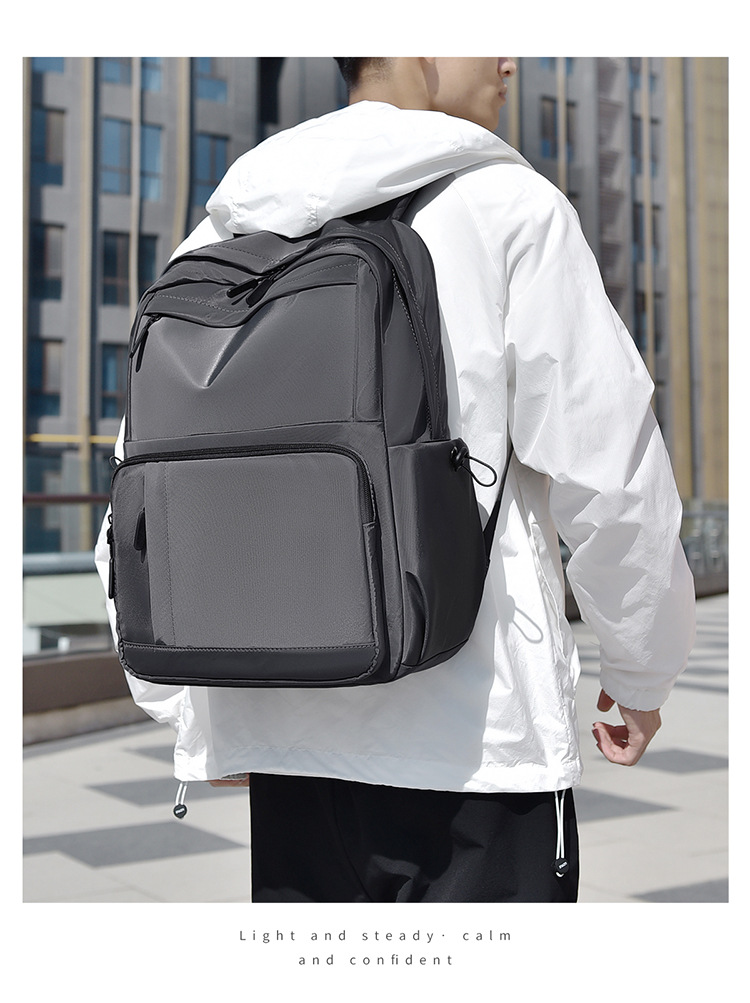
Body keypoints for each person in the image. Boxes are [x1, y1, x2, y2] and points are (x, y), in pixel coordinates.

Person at [95, 57, 696, 903]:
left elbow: (141, 499)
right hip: (476, 747)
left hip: (287, 745)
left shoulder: (219, 236)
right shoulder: (507, 207)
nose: (509, 60)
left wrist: (195, 708)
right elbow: (610, 466)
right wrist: (640, 672)